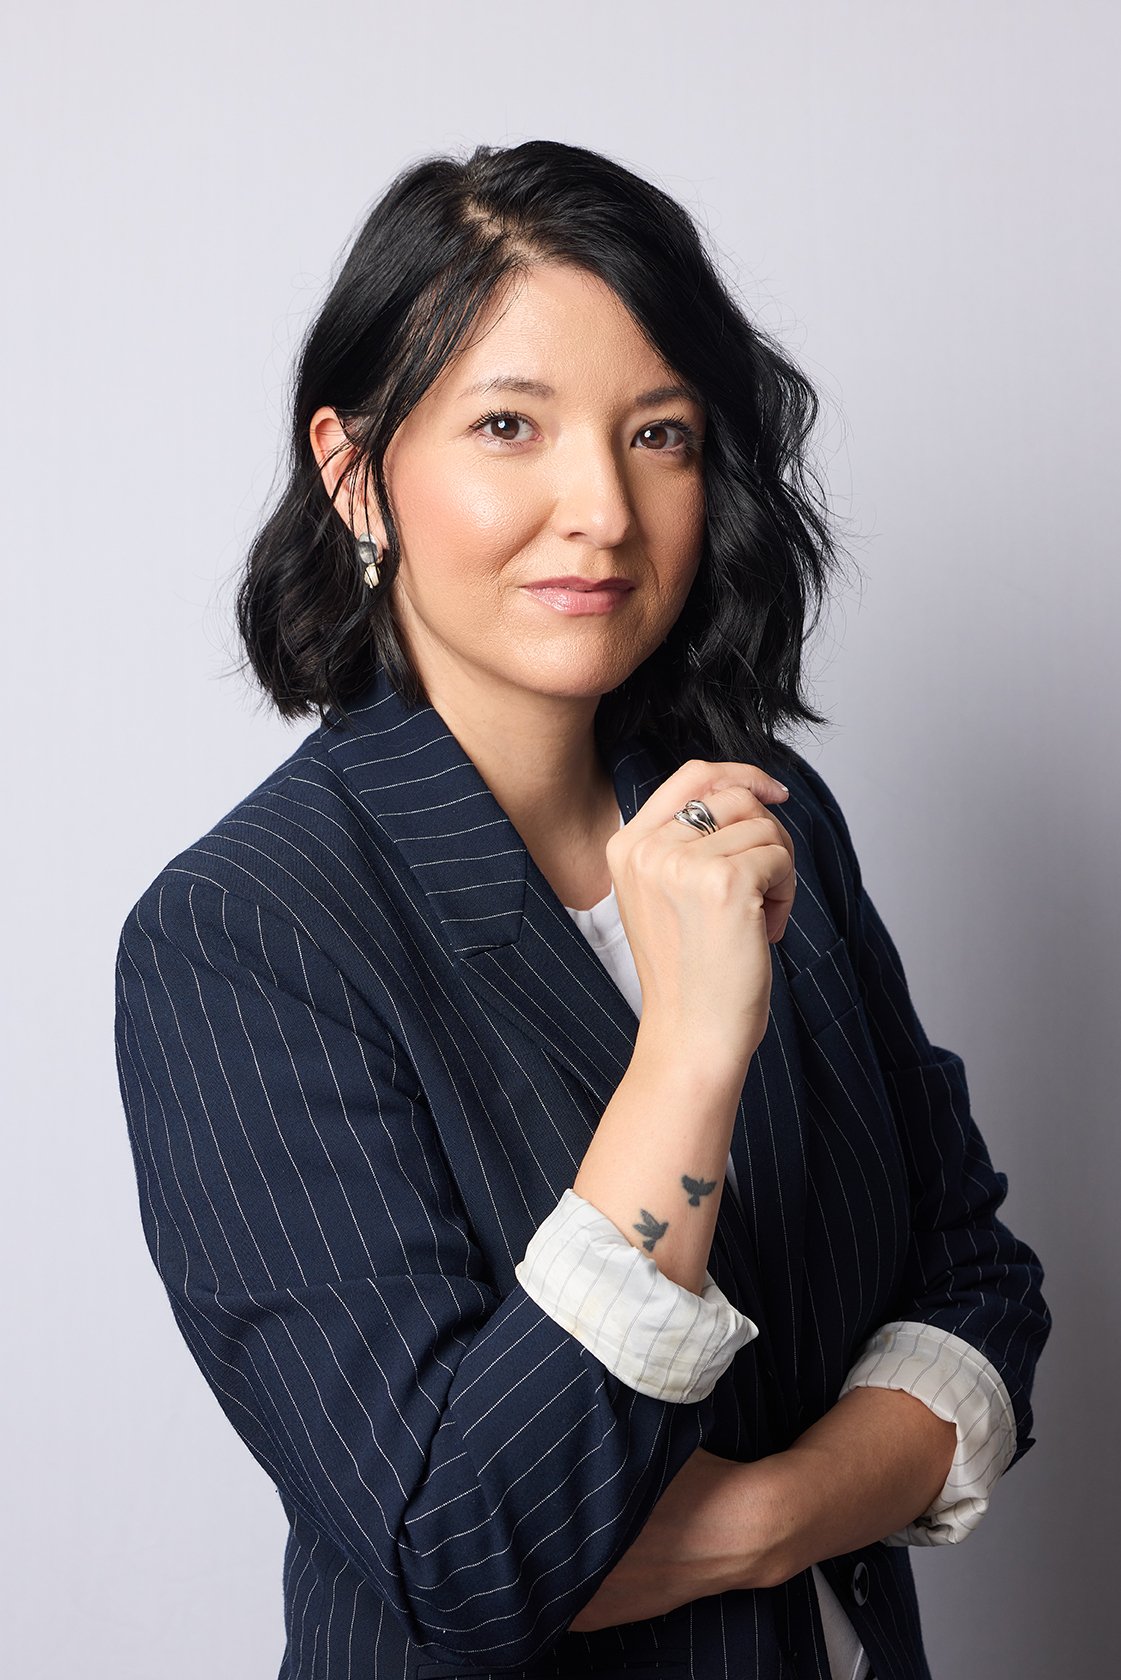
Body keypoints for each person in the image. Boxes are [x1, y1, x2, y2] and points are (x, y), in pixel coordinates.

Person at [113, 139, 1050, 1680]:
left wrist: (758, 1524)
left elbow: (976, 1282)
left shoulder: (762, 819)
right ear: (356, 474)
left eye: (659, 435)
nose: (600, 510)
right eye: (507, 427)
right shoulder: (245, 934)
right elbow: (466, 1555)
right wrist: (685, 1047)